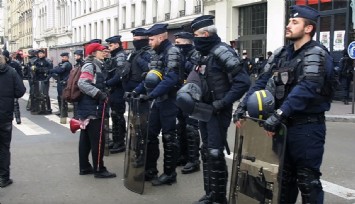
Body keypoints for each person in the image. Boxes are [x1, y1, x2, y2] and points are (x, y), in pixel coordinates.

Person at [233, 5, 334, 203]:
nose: (288, 25)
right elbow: (261, 81)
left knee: (307, 181)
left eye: (295, 22)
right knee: (283, 179)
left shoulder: (316, 53)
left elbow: (307, 87)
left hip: (306, 127)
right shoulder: (282, 54)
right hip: (282, 126)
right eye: (289, 21)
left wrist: (279, 114)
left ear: (308, 29)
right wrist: (243, 106)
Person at [185, 15, 250, 204]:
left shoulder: (222, 51)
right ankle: (210, 194)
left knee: (215, 152)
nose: (194, 38)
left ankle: (220, 199)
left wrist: (223, 103)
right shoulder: (202, 54)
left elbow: (243, 81)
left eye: (196, 35)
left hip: (218, 110)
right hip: (203, 109)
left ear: (205, 34)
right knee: (206, 151)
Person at [133, 23, 182, 186]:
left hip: (170, 101)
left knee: (169, 137)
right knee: (150, 135)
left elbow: (171, 78)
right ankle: (150, 170)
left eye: (152, 39)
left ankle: (169, 174)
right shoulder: (155, 53)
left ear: (162, 37)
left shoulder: (172, 51)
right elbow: (150, 77)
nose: (149, 42)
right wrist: (136, 91)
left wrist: (151, 95)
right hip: (157, 100)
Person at [77, 42, 116, 178]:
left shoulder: (95, 64)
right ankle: (99, 169)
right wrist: (99, 94)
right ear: (93, 53)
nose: (105, 52)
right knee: (98, 140)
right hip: (93, 108)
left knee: (86, 139)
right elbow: (82, 83)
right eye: (101, 50)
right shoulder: (91, 65)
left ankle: (85, 167)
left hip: (88, 108)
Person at [174, 31, 201, 174]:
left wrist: (184, 63)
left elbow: (195, 73)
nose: (176, 45)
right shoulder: (179, 54)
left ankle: (194, 160)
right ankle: (182, 155)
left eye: (179, 43)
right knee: (181, 126)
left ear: (188, 42)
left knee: (191, 127)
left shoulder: (196, 55)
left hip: (192, 95)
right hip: (181, 94)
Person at [0, 53, 26, 188]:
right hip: (4, 114)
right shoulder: (10, 71)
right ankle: (4, 178)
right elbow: (21, 91)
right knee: (4, 147)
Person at [104, 35, 127, 154]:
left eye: (111, 45)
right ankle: (116, 139)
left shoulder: (120, 56)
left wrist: (107, 83)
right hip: (113, 90)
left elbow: (119, 75)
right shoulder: (115, 56)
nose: (109, 47)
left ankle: (120, 142)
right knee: (115, 115)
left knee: (118, 115)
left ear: (117, 45)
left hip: (118, 90)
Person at [122, 28, 151, 92]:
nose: (134, 41)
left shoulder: (148, 52)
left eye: (136, 39)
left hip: (141, 86)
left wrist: (139, 59)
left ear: (143, 39)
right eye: (133, 39)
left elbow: (149, 69)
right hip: (130, 85)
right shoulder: (133, 52)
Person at [50, 52, 72, 116]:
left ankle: (64, 113)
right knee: (59, 97)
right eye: (62, 57)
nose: (63, 58)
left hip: (64, 82)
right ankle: (61, 111)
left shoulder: (67, 64)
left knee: (63, 97)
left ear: (67, 57)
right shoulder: (61, 64)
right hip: (60, 81)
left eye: (64, 57)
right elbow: (57, 69)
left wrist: (52, 70)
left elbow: (60, 70)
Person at [31, 49, 53, 114]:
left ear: (44, 54)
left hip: (45, 79)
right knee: (37, 94)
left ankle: (47, 109)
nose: (40, 55)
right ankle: (38, 109)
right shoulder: (35, 61)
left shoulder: (47, 61)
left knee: (45, 94)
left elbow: (50, 71)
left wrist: (47, 78)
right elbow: (33, 71)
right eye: (39, 54)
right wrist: (34, 78)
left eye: (41, 53)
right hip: (37, 79)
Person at [72, 50, 85, 119]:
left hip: (80, 84)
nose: (75, 57)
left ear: (79, 56)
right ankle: (76, 116)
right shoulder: (77, 64)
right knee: (75, 101)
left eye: (76, 56)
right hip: (76, 84)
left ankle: (78, 116)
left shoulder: (82, 64)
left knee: (78, 102)